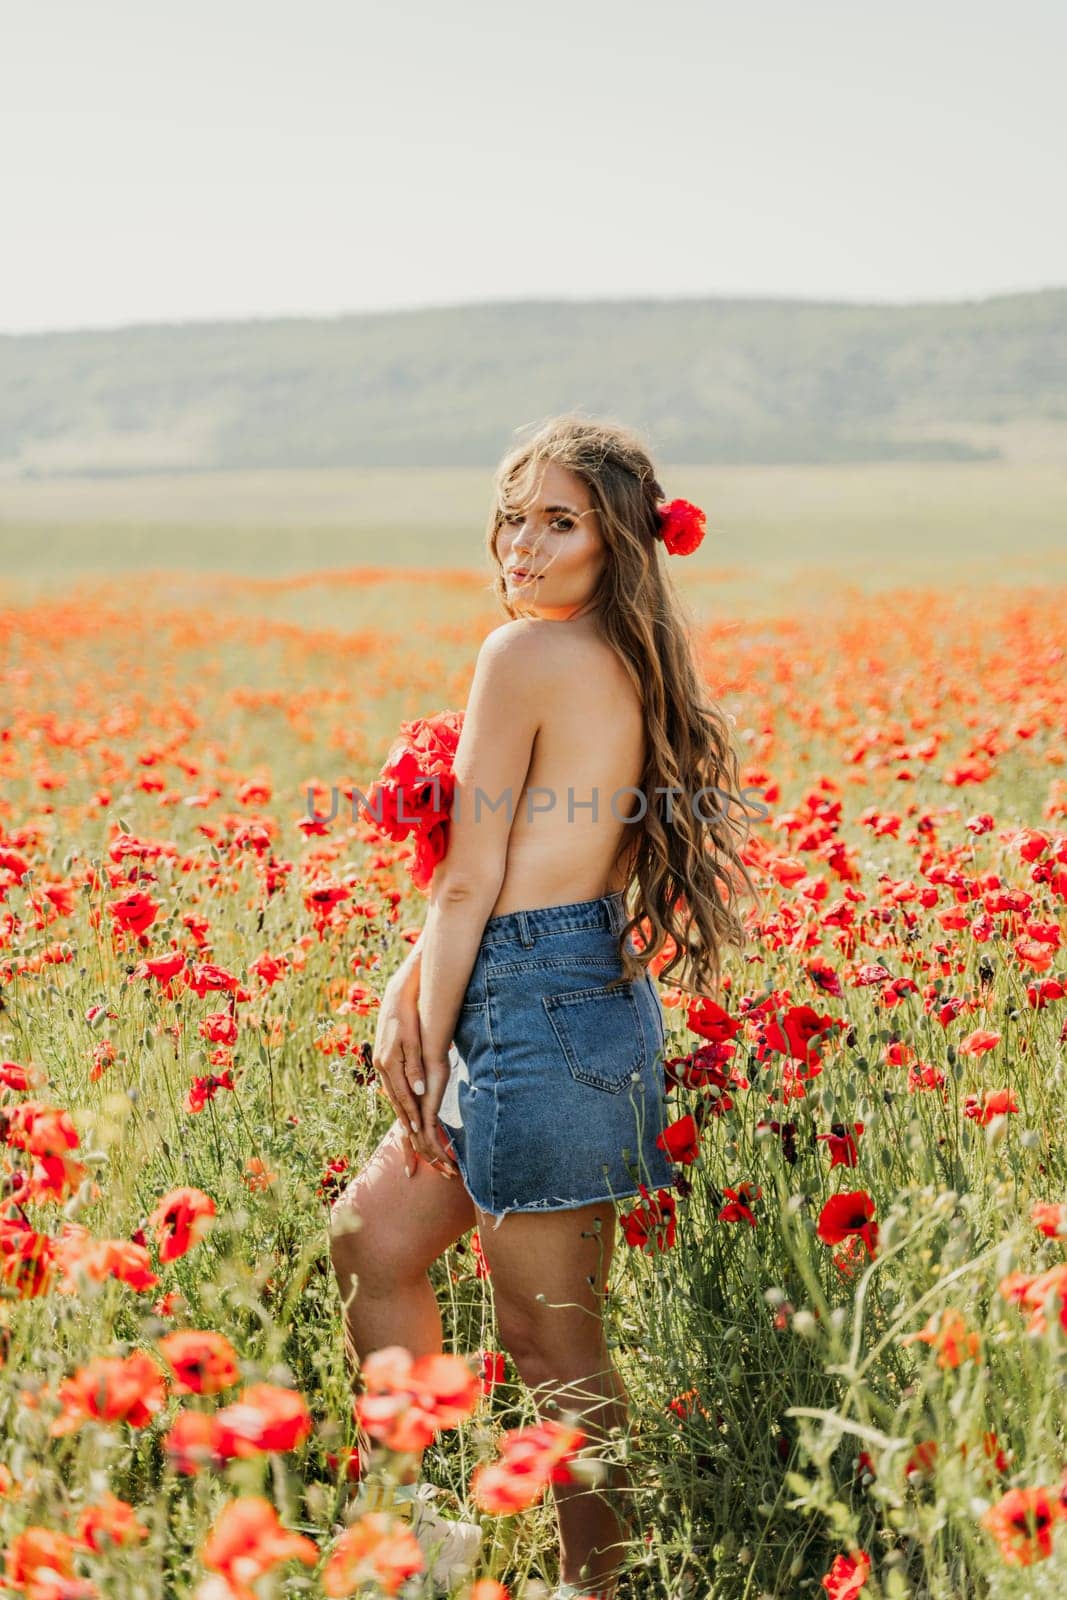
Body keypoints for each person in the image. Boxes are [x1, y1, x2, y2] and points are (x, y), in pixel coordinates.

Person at [329, 414, 760, 1598]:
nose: (522, 544)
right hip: (560, 991)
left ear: (615, 540)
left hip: (533, 1002)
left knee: (551, 1346)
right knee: (375, 1235)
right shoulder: (630, 656)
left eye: (557, 521)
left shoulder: (521, 654)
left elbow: (472, 877)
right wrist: (419, 982)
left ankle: (594, 1586)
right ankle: (419, 1524)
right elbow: (530, 866)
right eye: (513, 516)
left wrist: (408, 1009)